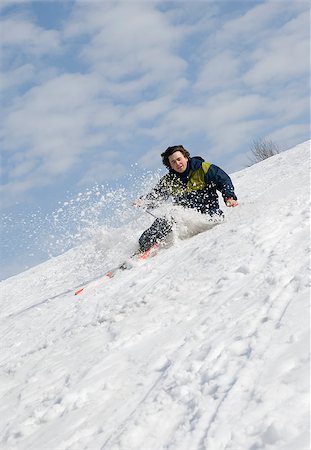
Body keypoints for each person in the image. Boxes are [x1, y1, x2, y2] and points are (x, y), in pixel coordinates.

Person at [133, 145, 238, 252]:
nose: (177, 163)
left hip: (209, 215)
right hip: (185, 216)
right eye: (173, 162)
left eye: (179, 159)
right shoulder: (170, 180)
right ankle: (144, 248)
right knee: (167, 218)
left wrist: (229, 197)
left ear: (186, 158)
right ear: (170, 165)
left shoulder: (203, 168)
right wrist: (144, 201)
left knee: (175, 216)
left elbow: (223, 180)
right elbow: (156, 195)